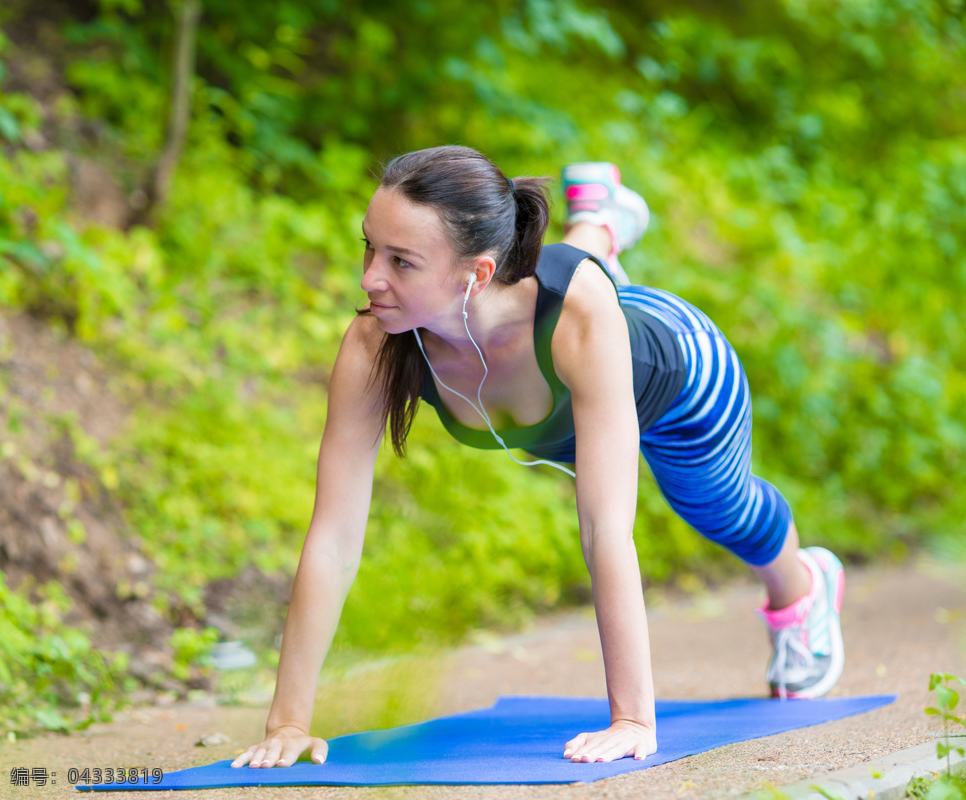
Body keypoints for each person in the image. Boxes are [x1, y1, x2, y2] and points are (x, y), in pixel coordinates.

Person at [230, 145, 845, 769]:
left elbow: (606, 528)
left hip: (674, 377)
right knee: (552, 294)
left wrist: (632, 719)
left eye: (401, 261)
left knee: (718, 508)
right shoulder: (376, 342)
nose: (368, 278)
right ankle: (600, 223)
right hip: (557, 355)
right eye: (368, 247)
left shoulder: (576, 312)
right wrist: (288, 723)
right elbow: (333, 536)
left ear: (475, 271)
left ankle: (803, 589)